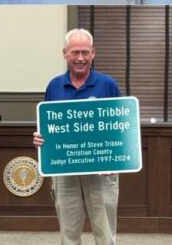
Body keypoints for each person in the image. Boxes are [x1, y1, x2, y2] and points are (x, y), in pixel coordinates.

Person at [33, 29, 120, 245]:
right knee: (69, 235)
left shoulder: (108, 85)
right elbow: (48, 127)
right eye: (74, 53)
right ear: (65, 53)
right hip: (65, 173)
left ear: (93, 53)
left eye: (84, 52)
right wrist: (40, 138)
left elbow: (120, 128)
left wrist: (115, 158)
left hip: (101, 172)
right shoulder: (54, 86)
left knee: (105, 234)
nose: (80, 58)